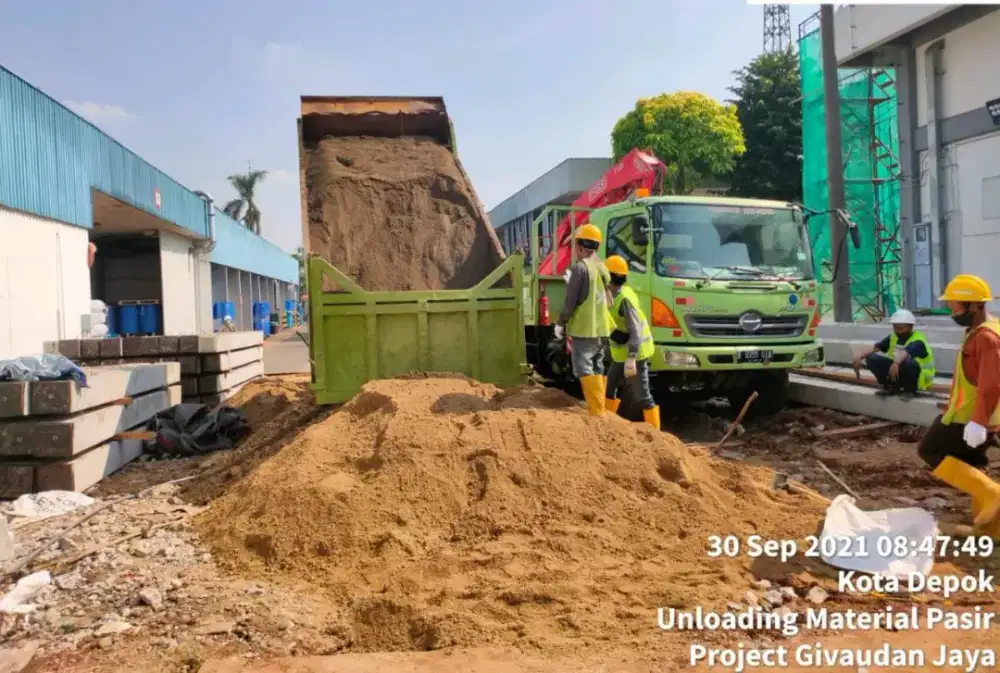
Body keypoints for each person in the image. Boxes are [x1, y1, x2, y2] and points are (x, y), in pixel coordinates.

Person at [916, 274, 1000, 534]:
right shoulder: (983, 330)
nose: (952, 311)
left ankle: (993, 495)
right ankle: (991, 530)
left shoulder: (986, 338)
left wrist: (977, 422)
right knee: (972, 463)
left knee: (930, 450)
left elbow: (991, 384)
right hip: (981, 417)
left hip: (968, 417)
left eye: (956, 306)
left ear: (975, 305)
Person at [553, 223, 613, 416]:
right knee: (598, 366)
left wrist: (561, 323)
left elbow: (571, 301)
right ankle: (600, 407)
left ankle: (596, 412)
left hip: (585, 328)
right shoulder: (602, 268)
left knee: (583, 367)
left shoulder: (580, 268)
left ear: (579, 245)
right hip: (602, 328)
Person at [603, 255, 660, 429]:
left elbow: (635, 331)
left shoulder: (624, 300)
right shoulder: (609, 294)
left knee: (642, 396)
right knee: (609, 386)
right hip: (621, 353)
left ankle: (657, 435)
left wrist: (632, 357)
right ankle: (605, 425)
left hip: (636, 354)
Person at [851, 309, 935, 398]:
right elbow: (876, 347)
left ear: (910, 327)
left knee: (908, 362)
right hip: (897, 372)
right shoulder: (893, 337)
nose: (898, 331)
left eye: (901, 328)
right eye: (896, 327)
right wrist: (859, 357)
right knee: (872, 359)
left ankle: (910, 390)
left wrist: (896, 363)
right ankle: (890, 387)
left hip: (918, 378)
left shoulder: (918, 340)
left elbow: (906, 352)